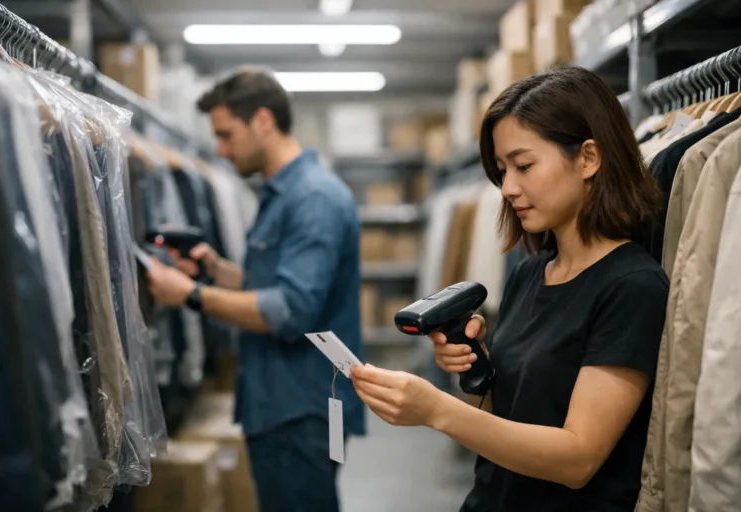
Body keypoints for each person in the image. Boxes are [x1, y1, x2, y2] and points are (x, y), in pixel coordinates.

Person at [350, 66, 669, 511]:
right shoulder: (528, 272)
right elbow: (502, 422)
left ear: (589, 158)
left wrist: (437, 410)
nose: (508, 188)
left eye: (524, 165)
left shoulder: (633, 288)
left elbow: (578, 458)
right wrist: (474, 369)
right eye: (502, 171)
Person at [146, 67, 366, 512]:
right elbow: (276, 286)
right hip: (285, 404)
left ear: (263, 121)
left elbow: (290, 310)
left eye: (227, 135)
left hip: (300, 410)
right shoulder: (284, 194)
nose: (221, 151)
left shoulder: (312, 198)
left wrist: (190, 294)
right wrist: (213, 271)